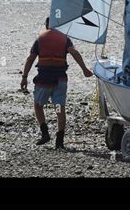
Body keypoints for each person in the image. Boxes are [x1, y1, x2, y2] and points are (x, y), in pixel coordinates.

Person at [21, 17, 93, 149]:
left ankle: (45, 134)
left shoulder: (40, 40)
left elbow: (30, 58)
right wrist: (84, 69)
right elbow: (74, 52)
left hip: (44, 80)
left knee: (38, 106)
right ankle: (59, 142)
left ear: (47, 25)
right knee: (59, 109)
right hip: (60, 80)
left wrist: (24, 77)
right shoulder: (65, 39)